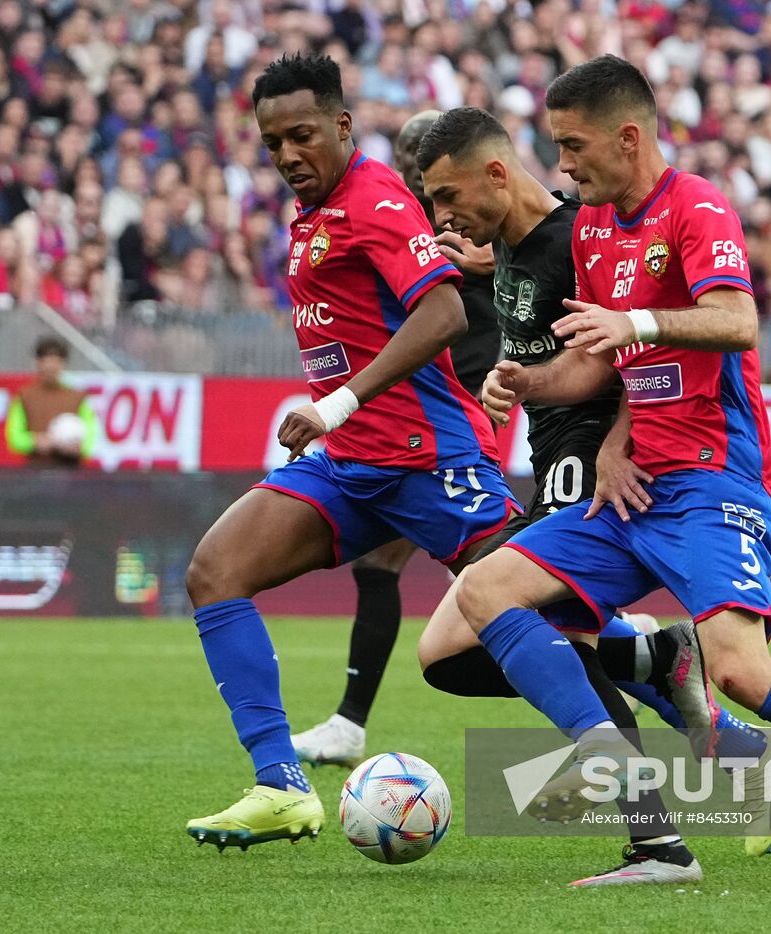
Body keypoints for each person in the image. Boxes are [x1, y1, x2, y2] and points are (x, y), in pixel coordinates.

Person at [459, 56, 771, 893]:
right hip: (635, 483)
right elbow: (600, 365)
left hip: (714, 479)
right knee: (486, 592)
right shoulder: (588, 226)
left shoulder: (697, 207)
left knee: (738, 671)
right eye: (556, 146)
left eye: (574, 146)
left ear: (629, 135)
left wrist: (635, 321)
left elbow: (736, 322)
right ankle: (629, 795)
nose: (565, 165)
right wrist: (530, 382)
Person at [411, 106, 771, 874]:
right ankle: (661, 665)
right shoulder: (512, 247)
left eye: (446, 199)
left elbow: (631, 346)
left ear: (493, 173)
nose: (438, 218)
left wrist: (620, 439)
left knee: (529, 630)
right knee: (447, 653)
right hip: (552, 453)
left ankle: (652, 833)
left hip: (592, 459)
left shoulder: (574, 234)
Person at [183, 54, 522, 852]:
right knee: (215, 572)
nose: (288, 155)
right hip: (352, 464)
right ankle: (280, 785)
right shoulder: (317, 211)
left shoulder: (376, 199)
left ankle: (662, 672)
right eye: (272, 144)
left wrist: (336, 403)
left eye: (302, 135)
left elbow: (442, 313)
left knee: (543, 615)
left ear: (341, 124)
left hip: (428, 458)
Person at [287, 109, 504, 771]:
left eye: (425, 154)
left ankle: (631, 649)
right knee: (397, 568)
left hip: (461, 417)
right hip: (404, 421)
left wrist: (489, 266)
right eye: (408, 153)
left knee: (496, 585)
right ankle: (349, 725)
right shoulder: (391, 213)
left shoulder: (470, 218)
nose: (415, 167)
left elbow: (522, 274)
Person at [4, 336, 99, 467]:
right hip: (36, 471)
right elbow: (14, 438)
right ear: (38, 363)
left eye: (56, 362)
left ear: (63, 364)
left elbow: (91, 436)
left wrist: (78, 448)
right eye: (46, 362)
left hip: (71, 473)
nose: (51, 367)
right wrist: (35, 442)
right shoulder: (25, 396)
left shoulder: (77, 397)